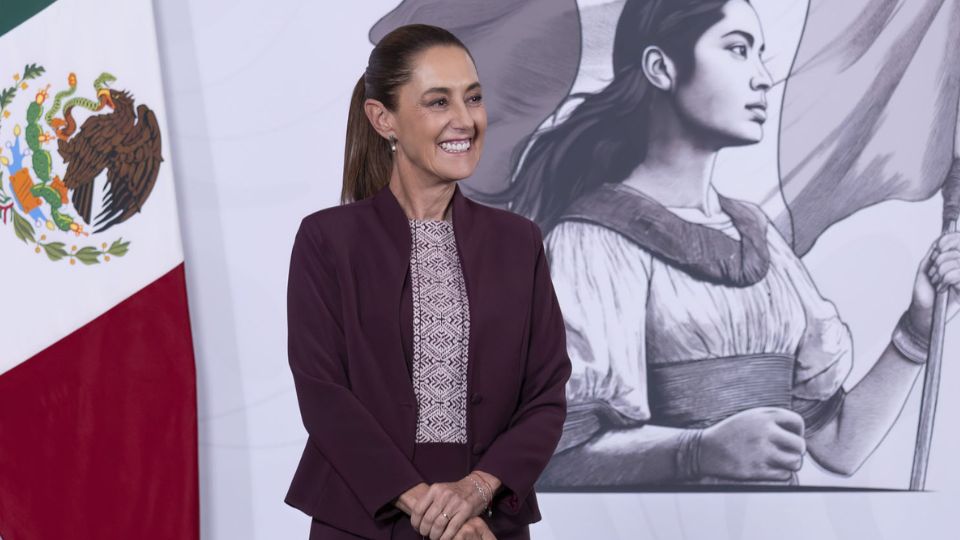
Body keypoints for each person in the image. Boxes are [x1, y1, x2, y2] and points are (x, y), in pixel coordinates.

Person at [492, 0, 960, 487]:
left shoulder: (759, 237)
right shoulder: (592, 242)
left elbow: (839, 445)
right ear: (661, 67)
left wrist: (918, 331)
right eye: (738, 50)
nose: (762, 78)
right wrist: (697, 452)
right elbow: (555, 457)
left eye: (760, 54)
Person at [285, 24, 571, 539]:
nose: (465, 119)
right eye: (439, 102)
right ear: (383, 119)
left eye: (473, 98)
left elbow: (546, 394)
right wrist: (431, 509)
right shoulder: (327, 240)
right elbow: (323, 393)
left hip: (488, 521)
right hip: (362, 520)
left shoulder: (519, 242)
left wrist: (476, 491)